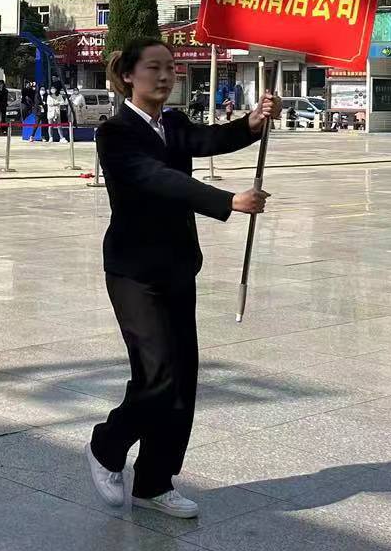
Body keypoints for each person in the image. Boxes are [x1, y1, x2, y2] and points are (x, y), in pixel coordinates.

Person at [84, 37, 279, 519]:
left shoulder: (172, 124)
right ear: (128, 76)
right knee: (157, 375)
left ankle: (155, 482)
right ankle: (107, 446)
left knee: (182, 381)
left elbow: (210, 140)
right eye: (154, 68)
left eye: (170, 68)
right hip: (133, 273)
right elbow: (157, 178)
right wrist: (226, 201)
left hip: (177, 266)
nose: (165, 76)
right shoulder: (115, 133)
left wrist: (253, 123)